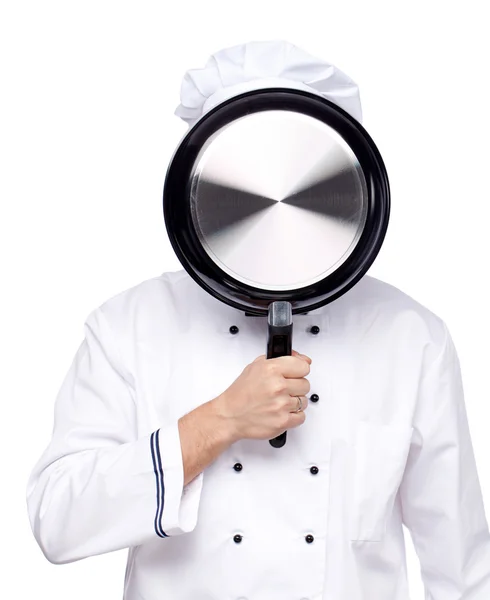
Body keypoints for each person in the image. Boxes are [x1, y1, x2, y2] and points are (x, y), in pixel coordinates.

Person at [26, 40, 490, 600]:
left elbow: (460, 566)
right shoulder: (129, 326)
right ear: (199, 191)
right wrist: (219, 421)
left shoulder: (411, 338)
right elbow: (58, 522)